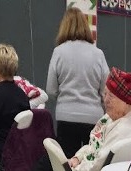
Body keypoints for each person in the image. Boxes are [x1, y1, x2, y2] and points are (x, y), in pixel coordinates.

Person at [46, 8, 110, 158]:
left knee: (67, 164)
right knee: (91, 161)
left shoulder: (58, 52)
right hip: (93, 117)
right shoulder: (98, 54)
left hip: (66, 116)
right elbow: (105, 89)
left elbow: (51, 89)